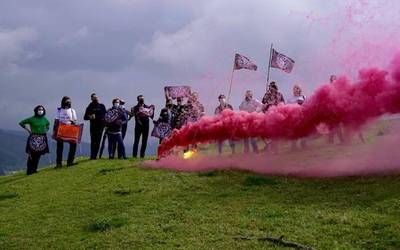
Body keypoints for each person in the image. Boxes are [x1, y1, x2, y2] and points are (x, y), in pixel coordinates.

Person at [19, 105, 50, 175]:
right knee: (32, 154)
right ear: (36, 110)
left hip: (42, 138)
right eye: (39, 109)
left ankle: (34, 169)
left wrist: (46, 129)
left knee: (38, 154)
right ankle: (29, 170)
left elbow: (48, 124)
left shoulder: (44, 119)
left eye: (42, 109)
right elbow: (21, 123)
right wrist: (28, 129)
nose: (40, 111)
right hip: (34, 137)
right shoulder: (32, 119)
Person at [54, 96, 78, 168]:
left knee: (73, 145)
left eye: (69, 101)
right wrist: (54, 131)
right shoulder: (59, 110)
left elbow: (75, 120)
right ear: (63, 101)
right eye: (67, 101)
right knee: (59, 147)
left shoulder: (72, 110)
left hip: (70, 129)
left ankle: (70, 161)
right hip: (61, 130)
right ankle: (58, 163)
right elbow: (56, 121)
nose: (68, 102)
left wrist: (72, 121)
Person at [84, 93, 106, 160]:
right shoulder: (89, 107)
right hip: (93, 127)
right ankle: (92, 156)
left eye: (96, 97)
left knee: (98, 141)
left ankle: (95, 156)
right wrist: (90, 117)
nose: (95, 98)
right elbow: (85, 117)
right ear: (91, 98)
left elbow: (106, 116)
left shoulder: (102, 106)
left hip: (101, 127)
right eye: (94, 97)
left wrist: (106, 124)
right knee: (93, 141)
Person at [288, 84, 307, 150]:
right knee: (294, 131)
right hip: (294, 117)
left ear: (300, 90)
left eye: (297, 88)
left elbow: (307, 105)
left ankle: (303, 144)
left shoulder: (304, 97)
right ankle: (293, 146)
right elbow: (287, 108)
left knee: (303, 130)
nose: (296, 90)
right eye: (295, 88)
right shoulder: (290, 99)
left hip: (302, 115)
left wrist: (303, 103)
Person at [327, 75, 345, 144]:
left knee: (336, 125)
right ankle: (336, 140)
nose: (334, 80)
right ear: (331, 80)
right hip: (331, 109)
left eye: (335, 78)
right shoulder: (328, 88)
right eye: (332, 79)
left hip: (337, 108)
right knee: (333, 125)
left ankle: (335, 140)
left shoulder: (339, 88)